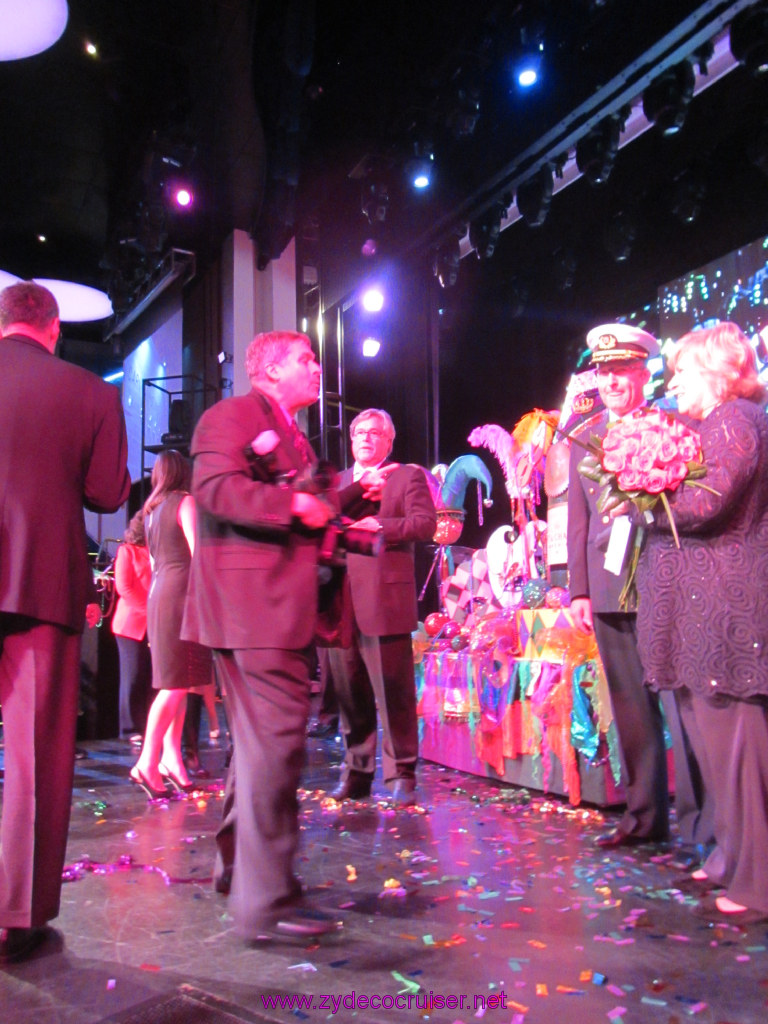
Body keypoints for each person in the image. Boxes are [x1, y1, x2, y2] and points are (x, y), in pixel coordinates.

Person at [181, 329, 390, 942]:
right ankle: (266, 902)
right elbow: (215, 490)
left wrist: (349, 507)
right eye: (306, 359)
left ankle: (236, 870)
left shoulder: (295, 436)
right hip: (253, 609)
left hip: (271, 607)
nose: (317, 368)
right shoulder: (231, 415)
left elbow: (313, 507)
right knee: (276, 746)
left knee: (256, 749)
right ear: (270, 371)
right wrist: (296, 509)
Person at [0, 281, 130, 964]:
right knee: (31, 754)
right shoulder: (91, 392)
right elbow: (106, 492)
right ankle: (14, 917)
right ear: (52, 328)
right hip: (40, 579)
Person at [633, 322, 768, 922]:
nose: (673, 382)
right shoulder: (713, 424)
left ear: (715, 373)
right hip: (700, 611)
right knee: (714, 751)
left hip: (724, 612)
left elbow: (702, 502)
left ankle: (759, 881)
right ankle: (731, 858)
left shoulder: (736, 421)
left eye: (683, 371)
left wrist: (637, 488)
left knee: (736, 755)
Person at [567, 322, 708, 850]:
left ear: (643, 371)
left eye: (621, 370)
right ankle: (644, 818)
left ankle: (699, 825)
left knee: (680, 705)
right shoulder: (584, 434)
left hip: (663, 580)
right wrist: (578, 590)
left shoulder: (672, 425)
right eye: (603, 372)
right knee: (628, 703)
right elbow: (576, 522)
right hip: (606, 587)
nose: (611, 381)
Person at [328, 409, 436, 806]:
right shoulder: (339, 483)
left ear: (389, 441)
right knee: (349, 691)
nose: (366, 438)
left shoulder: (406, 476)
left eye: (375, 433)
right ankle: (356, 773)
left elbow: (425, 524)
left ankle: (402, 773)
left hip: (384, 596)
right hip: (339, 599)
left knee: (393, 692)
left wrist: (382, 528)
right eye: (360, 432)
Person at [130, 450, 213, 798]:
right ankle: (147, 762)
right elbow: (199, 555)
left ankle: (171, 759)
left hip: (160, 594)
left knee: (179, 680)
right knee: (175, 684)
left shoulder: (149, 513)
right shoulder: (186, 502)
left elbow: (152, 560)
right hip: (183, 596)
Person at [112, 511, 152, 743]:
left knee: (150, 676)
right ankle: (129, 729)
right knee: (133, 675)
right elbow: (124, 588)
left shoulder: (156, 551)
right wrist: (150, 610)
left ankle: (148, 725)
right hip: (130, 624)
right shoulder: (126, 551)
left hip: (154, 622)